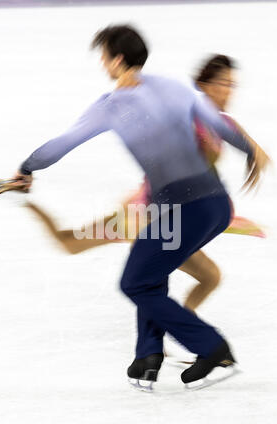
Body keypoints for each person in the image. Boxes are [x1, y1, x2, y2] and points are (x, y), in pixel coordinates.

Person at [14, 25, 268, 389]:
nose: (103, 64)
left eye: (104, 57)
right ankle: (148, 355)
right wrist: (249, 151)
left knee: (136, 283)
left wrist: (26, 169)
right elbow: (217, 123)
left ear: (117, 60)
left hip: (183, 210)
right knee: (154, 269)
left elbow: (59, 146)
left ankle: (213, 348)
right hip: (213, 206)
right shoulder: (175, 87)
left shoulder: (111, 106)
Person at [26, 54, 265, 320]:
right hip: (148, 212)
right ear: (202, 85)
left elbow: (237, 142)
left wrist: (253, 151)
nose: (227, 91)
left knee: (209, 277)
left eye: (232, 85)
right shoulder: (180, 113)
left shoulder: (223, 124)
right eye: (222, 83)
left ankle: (182, 325)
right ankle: (25, 202)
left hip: (183, 212)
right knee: (71, 243)